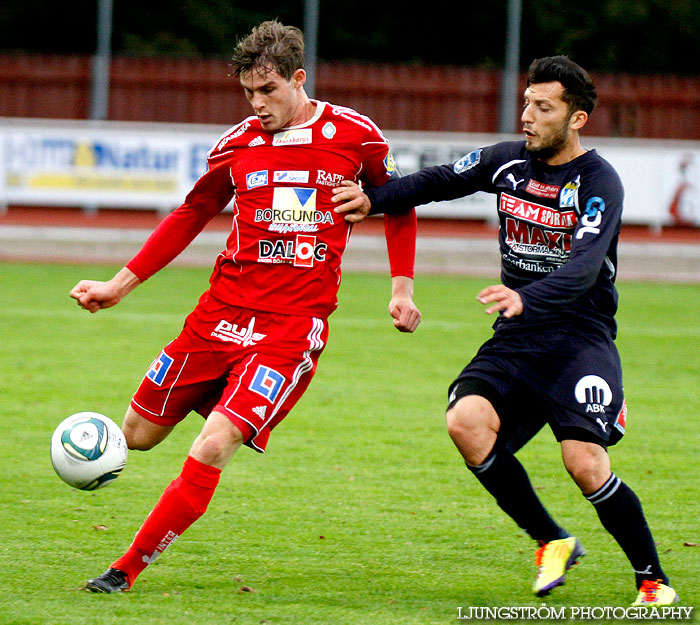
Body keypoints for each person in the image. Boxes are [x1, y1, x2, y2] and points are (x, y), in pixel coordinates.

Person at [70, 20, 421, 593]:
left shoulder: (357, 137)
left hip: (290, 329)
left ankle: (124, 571)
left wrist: (400, 287)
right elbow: (190, 214)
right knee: (136, 434)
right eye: (249, 94)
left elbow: (399, 204)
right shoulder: (237, 145)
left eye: (268, 91)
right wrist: (118, 284)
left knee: (214, 441)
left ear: (298, 80)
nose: (258, 105)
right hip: (217, 316)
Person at [332, 56, 678, 607]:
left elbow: (586, 266)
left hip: (579, 336)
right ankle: (552, 540)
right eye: (527, 103)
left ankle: (654, 581)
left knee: (583, 463)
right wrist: (375, 200)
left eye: (543, 107)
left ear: (577, 118)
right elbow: (438, 181)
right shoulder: (507, 162)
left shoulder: (598, 181)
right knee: (465, 422)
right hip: (517, 336)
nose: (528, 116)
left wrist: (526, 296)